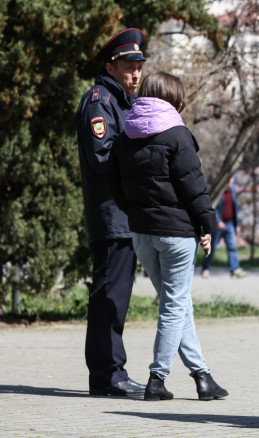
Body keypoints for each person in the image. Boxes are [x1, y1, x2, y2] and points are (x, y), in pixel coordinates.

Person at [106, 71, 228, 401]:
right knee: (174, 307)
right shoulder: (177, 135)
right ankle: (157, 379)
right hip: (176, 235)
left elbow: (116, 186)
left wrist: (136, 214)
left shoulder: (124, 136)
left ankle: (203, 377)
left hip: (142, 235)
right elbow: (194, 188)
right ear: (172, 99)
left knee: (178, 304)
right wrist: (207, 226)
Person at [75, 28, 147, 396]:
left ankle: (109, 372)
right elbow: (103, 157)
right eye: (128, 65)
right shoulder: (100, 101)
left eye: (138, 66)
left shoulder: (121, 101)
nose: (136, 73)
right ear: (111, 65)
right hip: (111, 214)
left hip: (124, 214)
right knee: (109, 297)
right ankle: (107, 375)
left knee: (116, 297)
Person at [201, 176, 247, 279]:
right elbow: (213, 207)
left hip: (230, 224)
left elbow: (235, 210)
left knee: (232, 247)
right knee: (212, 248)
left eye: (232, 181)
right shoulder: (219, 193)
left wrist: (237, 225)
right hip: (219, 225)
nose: (230, 183)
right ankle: (205, 268)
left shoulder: (233, 193)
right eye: (229, 181)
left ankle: (234, 270)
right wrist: (218, 221)